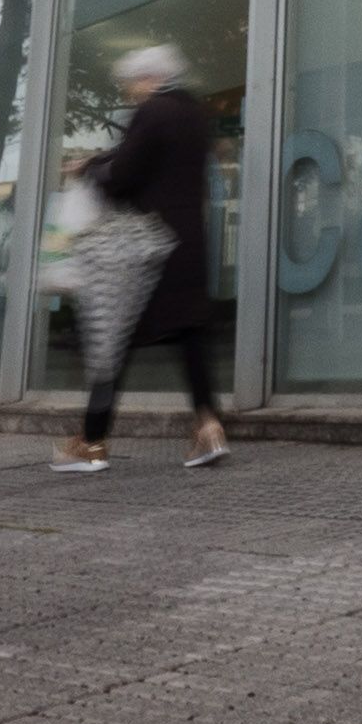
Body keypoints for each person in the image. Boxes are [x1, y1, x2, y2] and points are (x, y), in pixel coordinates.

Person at [53, 43, 230, 473]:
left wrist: (89, 171)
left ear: (149, 79)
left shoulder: (153, 112)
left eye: (133, 82)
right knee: (189, 337)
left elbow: (125, 177)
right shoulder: (194, 115)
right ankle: (209, 428)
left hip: (144, 246)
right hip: (187, 241)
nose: (132, 92)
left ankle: (92, 442)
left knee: (111, 334)